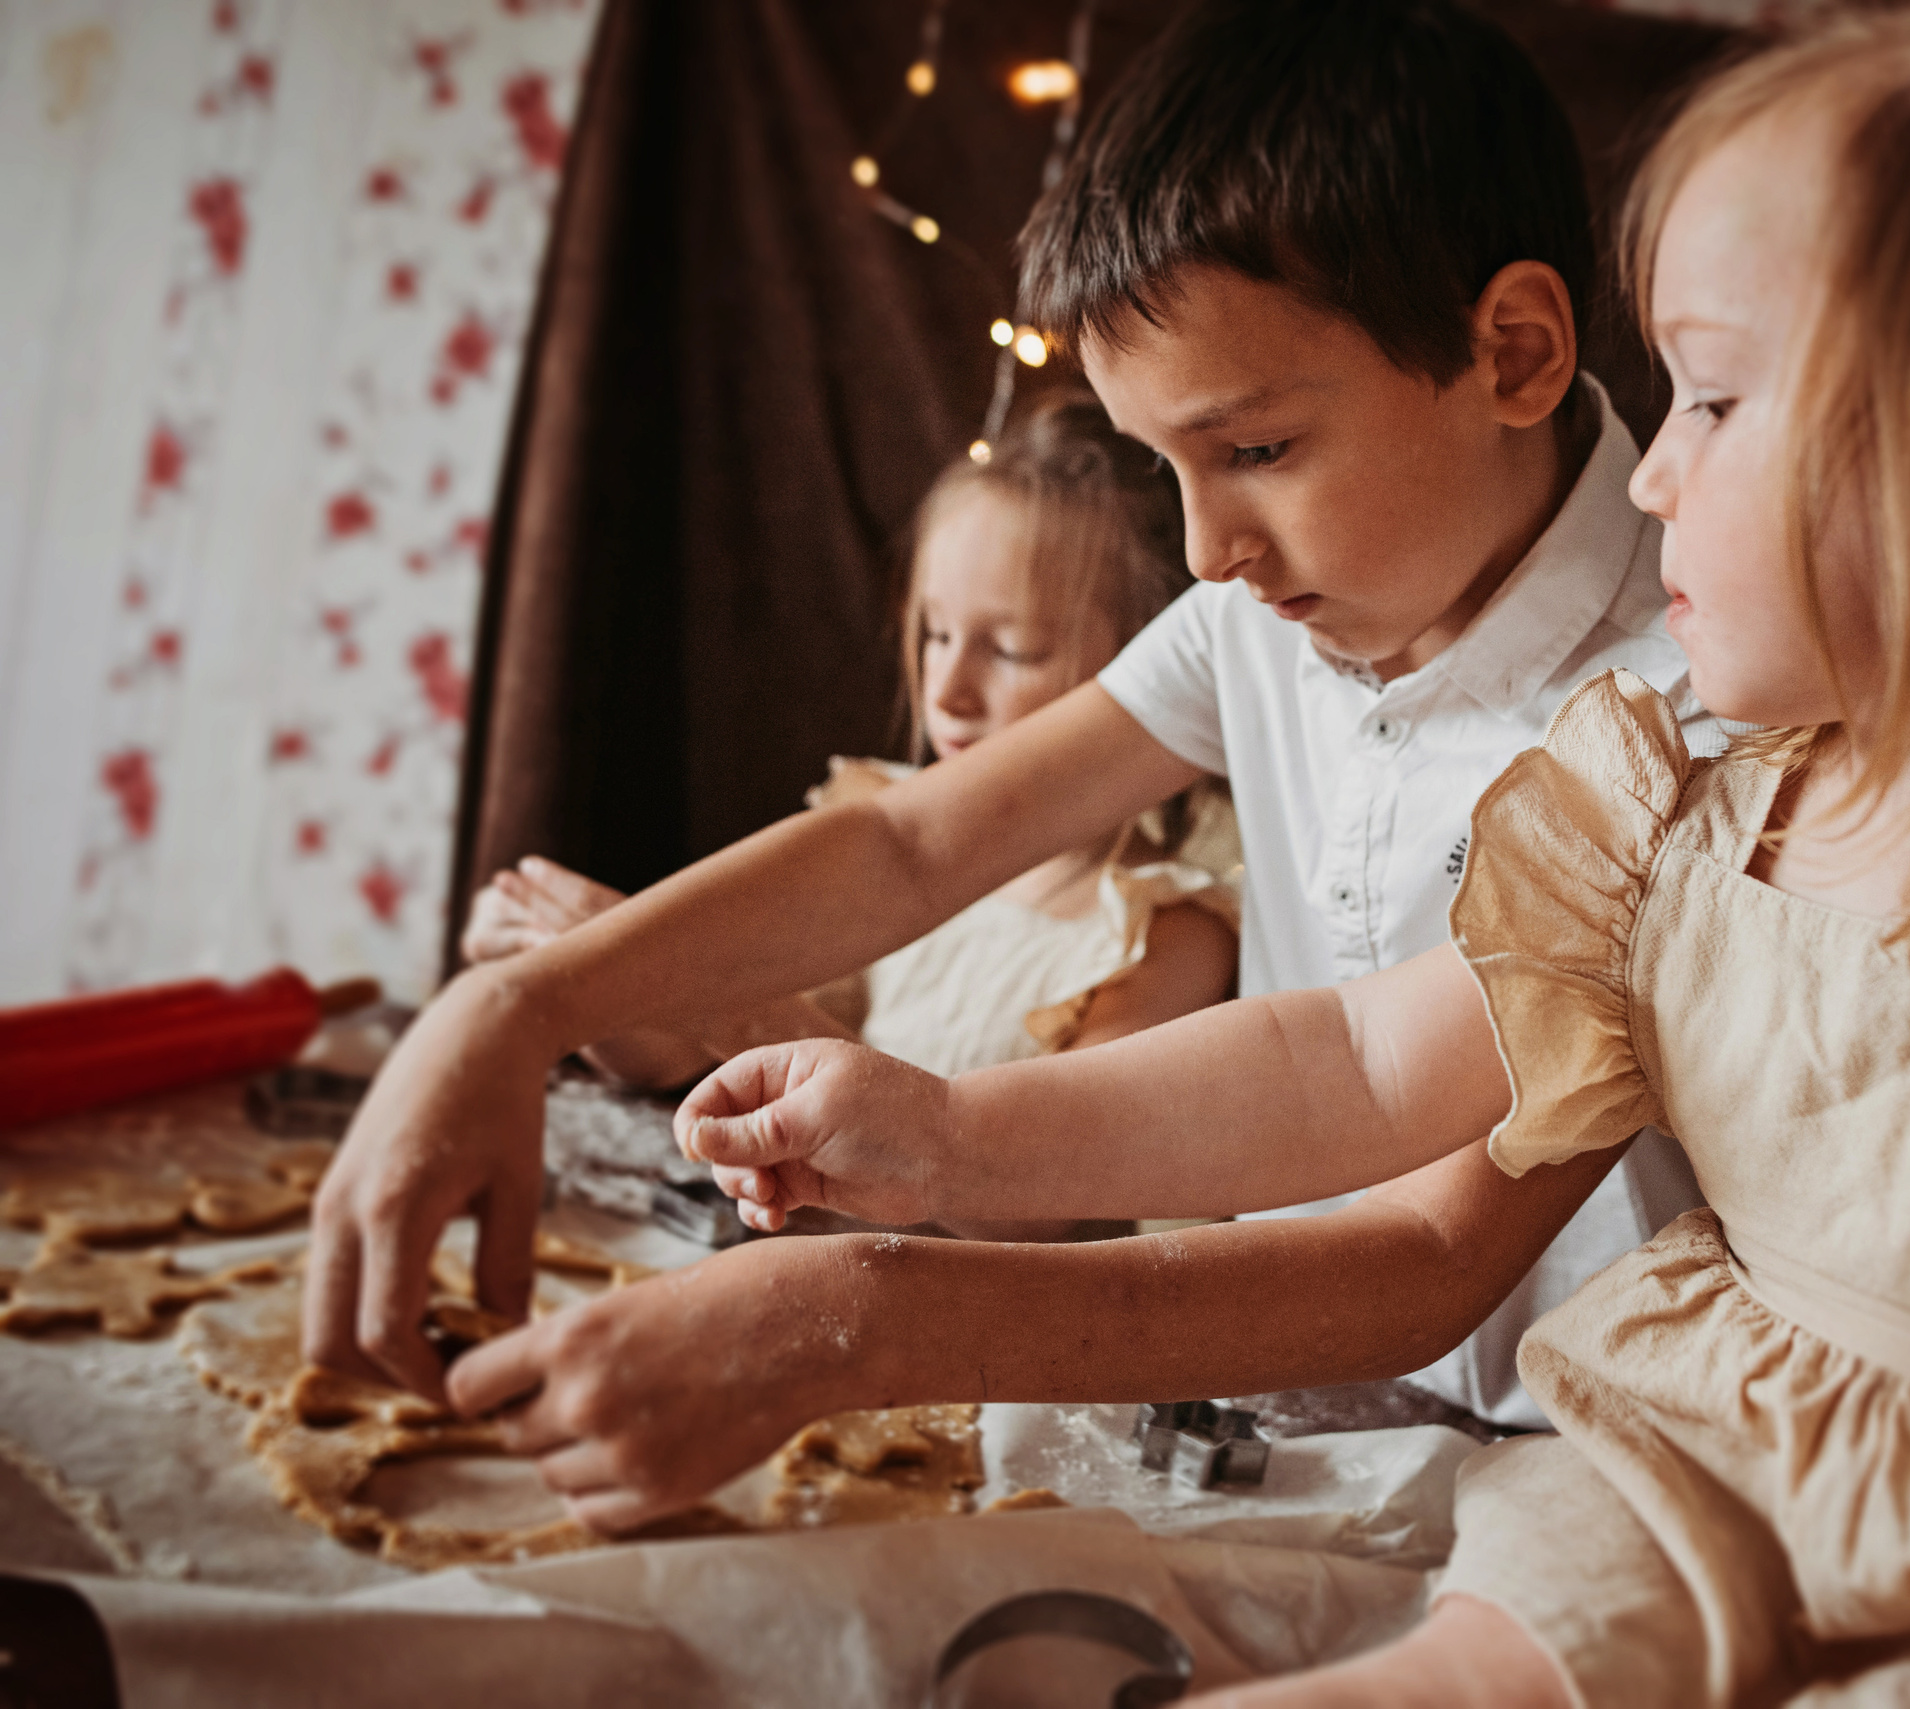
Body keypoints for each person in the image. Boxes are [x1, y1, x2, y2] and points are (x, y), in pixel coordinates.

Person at [453, 0, 1910, 1702]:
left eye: (1714, 405)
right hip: (1675, 1521)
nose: (1650, 478)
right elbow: (1362, 1066)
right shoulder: (1691, 793)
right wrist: (942, 1130)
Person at [312, 0, 1717, 1428]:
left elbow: (1420, 1247)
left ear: (1519, 354)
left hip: (1573, 1454)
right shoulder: (1264, 610)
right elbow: (915, 845)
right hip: (1280, 1411)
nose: (1201, 549)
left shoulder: (1700, 700)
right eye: (1163, 465)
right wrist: (520, 1002)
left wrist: (869, 1296)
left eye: (1257, 450)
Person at [453, 391, 1242, 1101]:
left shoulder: (1164, 932)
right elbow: (668, 1055)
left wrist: (726, 1003)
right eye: (934, 634)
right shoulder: (877, 825)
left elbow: (1027, 1207)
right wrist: (572, 966)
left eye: (1012, 650)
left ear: (1151, 667)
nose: (947, 691)